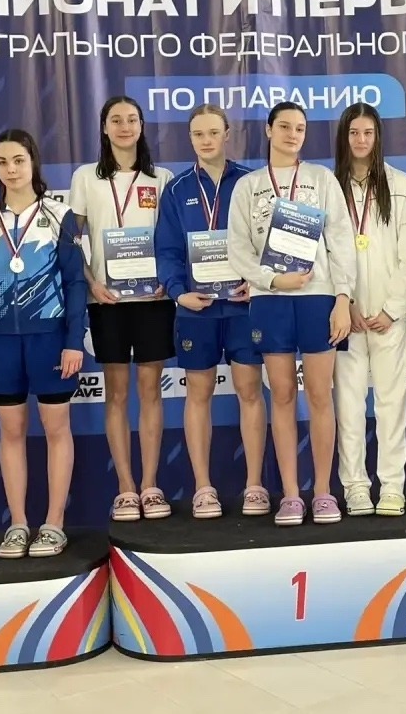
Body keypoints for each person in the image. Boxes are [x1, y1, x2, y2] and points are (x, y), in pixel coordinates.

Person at [227, 101, 356, 526]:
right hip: (271, 301)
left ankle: (323, 492)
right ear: (268, 130)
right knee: (281, 395)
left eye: (299, 128)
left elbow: (341, 240)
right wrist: (271, 280)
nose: (292, 134)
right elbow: (237, 248)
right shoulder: (249, 186)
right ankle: (290, 495)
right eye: (284, 126)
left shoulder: (320, 179)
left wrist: (343, 297)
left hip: (319, 299)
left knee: (320, 395)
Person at [0, 130, 86, 557]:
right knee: (11, 431)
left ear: (32, 161)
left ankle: (54, 523)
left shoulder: (60, 214)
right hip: (0, 343)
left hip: (50, 340)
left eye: (18, 160)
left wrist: (74, 341)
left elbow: (75, 283)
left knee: (56, 429)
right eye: (2, 162)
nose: (11, 169)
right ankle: (18, 523)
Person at [154, 104, 268, 518]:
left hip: (241, 306)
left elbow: (265, 241)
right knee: (197, 394)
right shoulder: (176, 189)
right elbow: (166, 249)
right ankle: (203, 487)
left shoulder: (251, 183)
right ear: (190, 138)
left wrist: (257, 282)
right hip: (196, 309)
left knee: (250, 392)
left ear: (226, 134)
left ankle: (254, 485)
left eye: (213, 132)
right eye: (198, 134)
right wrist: (178, 292)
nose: (206, 140)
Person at [69, 97, 175, 522]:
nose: (125, 126)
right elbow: (71, 240)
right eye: (116, 120)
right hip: (106, 301)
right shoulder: (86, 177)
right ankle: (125, 488)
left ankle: (150, 484)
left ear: (142, 126)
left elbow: (171, 238)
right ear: (104, 127)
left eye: (132, 119)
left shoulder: (161, 178)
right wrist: (91, 282)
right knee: (116, 394)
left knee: (150, 392)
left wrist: (168, 277)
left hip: (153, 300)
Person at [332, 103, 406, 517]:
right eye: (354, 132)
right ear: (344, 136)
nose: (361, 140)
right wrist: (345, 301)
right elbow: (325, 250)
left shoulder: (400, 184)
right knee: (348, 406)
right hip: (344, 316)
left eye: (368, 132)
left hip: (390, 316)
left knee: (391, 405)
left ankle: (391, 486)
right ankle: (355, 486)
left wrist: (393, 308)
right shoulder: (329, 185)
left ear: (378, 136)